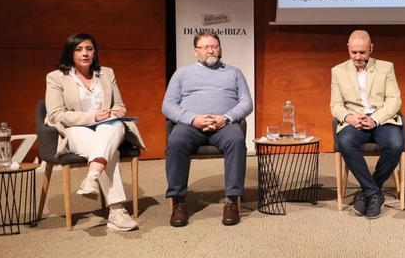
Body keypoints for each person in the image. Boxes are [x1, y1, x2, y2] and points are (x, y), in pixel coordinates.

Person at [44, 33, 145, 231]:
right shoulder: (56, 77)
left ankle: (91, 177)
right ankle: (116, 211)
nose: (85, 54)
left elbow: (120, 104)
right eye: (79, 49)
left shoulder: (106, 73)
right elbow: (56, 115)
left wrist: (117, 111)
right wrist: (92, 117)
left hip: (108, 127)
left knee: (114, 125)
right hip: (76, 130)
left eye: (89, 49)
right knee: (111, 152)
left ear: (94, 52)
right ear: (70, 53)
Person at [163, 30, 253, 227]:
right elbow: (168, 106)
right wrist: (193, 118)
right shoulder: (182, 74)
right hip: (191, 126)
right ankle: (178, 203)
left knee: (236, 139)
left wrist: (226, 118)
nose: (210, 51)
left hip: (223, 125)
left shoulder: (234, 72)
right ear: (196, 51)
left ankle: (232, 200)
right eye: (205, 47)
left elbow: (247, 103)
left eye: (214, 46)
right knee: (176, 141)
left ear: (220, 49)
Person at [331, 30, 404, 219]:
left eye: (362, 52)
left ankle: (370, 190)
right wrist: (350, 118)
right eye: (354, 52)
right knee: (345, 143)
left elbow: (394, 101)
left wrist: (375, 119)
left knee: (396, 144)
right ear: (348, 48)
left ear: (371, 48)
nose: (358, 57)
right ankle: (373, 193)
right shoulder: (338, 71)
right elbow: (336, 105)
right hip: (355, 120)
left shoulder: (386, 67)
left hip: (381, 118)